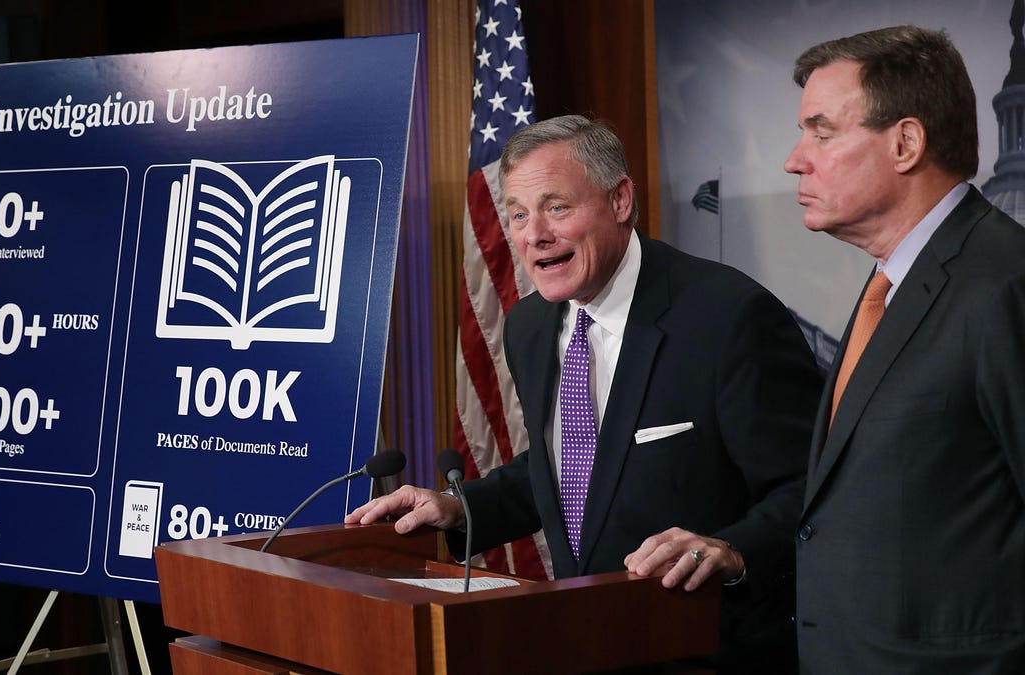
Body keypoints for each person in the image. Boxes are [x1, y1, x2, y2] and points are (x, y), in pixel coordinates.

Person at [348, 114, 821, 672]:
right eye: (519, 214)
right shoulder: (530, 326)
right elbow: (571, 470)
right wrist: (458, 507)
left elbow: (812, 490)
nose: (532, 235)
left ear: (620, 200)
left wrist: (734, 551)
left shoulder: (728, 318)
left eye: (556, 207)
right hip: (586, 644)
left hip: (711, 650)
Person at [784, 26, 1025, 673]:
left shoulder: (1005, 280)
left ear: (906, 142)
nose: (794, 159)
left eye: (822, 130)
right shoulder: (891, 282)